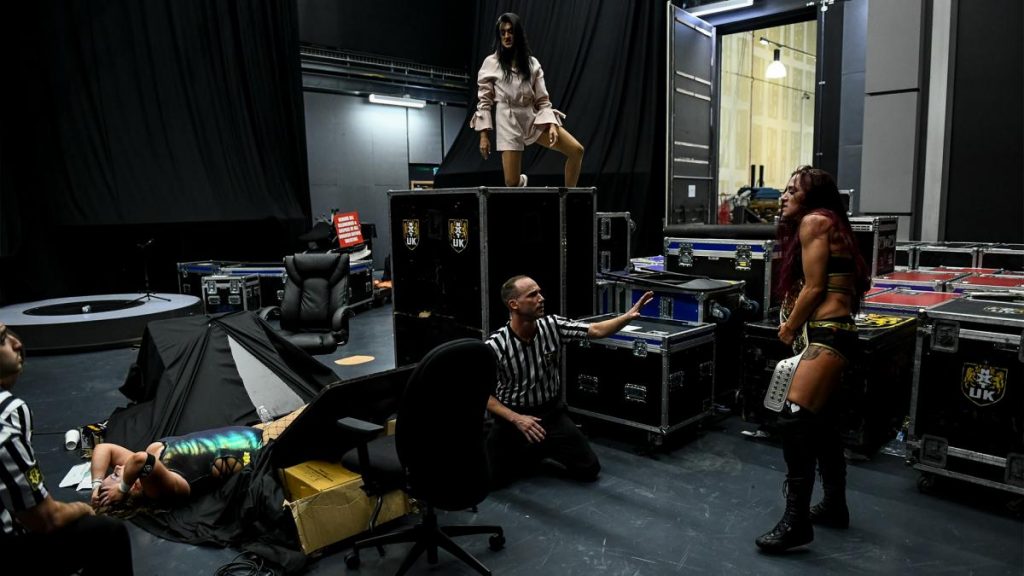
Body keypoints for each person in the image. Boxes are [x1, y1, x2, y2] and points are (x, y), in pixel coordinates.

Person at [754, 166, 870, 553]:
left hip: (827, 336)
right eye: (784, 190)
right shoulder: (831, 221)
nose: (784, 196)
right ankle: (835, 505)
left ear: (811, 198)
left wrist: (788, 328)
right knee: (823, 426)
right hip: (836, 334)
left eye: (792, 190)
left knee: (795, 420)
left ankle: (796, 521)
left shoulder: (814, 222)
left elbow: (816, 287)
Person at [485, 275, 653, 487]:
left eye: (540, 292)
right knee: (493, 481)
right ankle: (521, 444)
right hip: (513, 418)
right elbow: (480, 393)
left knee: (589, 468)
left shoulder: (553, 325)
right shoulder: (496, 345)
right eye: (533, 295)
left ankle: (541, 445)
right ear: (514, 304)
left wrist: (627, 316)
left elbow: (596, 330)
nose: (541, 298)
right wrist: (516, 419)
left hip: (550, 413)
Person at [0, 323, 134, 575]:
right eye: (2, 340)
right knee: (108, 533)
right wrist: (84, 506)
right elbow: (46, 520)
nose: (17, 344)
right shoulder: (7, 422)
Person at [471, 12, 585, 188]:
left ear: (518, 33)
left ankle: (569, 198)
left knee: (577, 151)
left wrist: (553, 125)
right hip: (507, 119)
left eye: (510, 31)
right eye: (502, 32)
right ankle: (521, 181)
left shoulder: (532, 64)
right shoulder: (491, 63)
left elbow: (543, 100)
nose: (507, 36)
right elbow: (484, 101)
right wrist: (484, 136)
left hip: (531, 116)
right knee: (511, 182)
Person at [90, 426, 264, 508]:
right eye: (115, 476)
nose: (119, 468)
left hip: (247, 431)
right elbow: (141, 460)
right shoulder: (158, 487)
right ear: (132, 486)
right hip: (260, 447)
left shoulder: (141, 472)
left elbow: (103, 448)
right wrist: (121, 488)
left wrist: (96, 485)